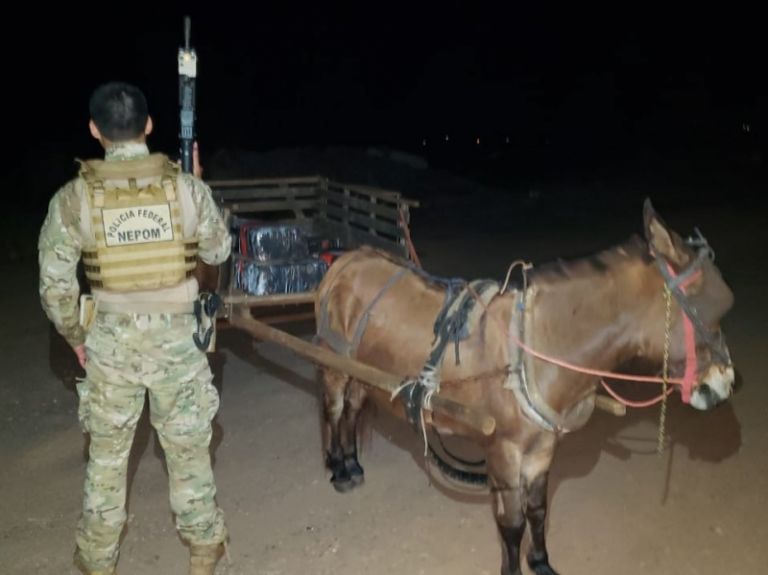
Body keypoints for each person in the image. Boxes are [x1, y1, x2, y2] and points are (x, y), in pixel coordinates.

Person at [38, 81, 231, 575]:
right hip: (178, 346)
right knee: (189, 453)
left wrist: (77, 340)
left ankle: (98, 561)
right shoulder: (187, 189)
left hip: (110, 350)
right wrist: (194, 196)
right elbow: (217, 253)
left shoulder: (74, 199)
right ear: (148, 126)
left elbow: (55, 287)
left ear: (94, 130)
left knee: (106, 462)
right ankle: (205, 553)